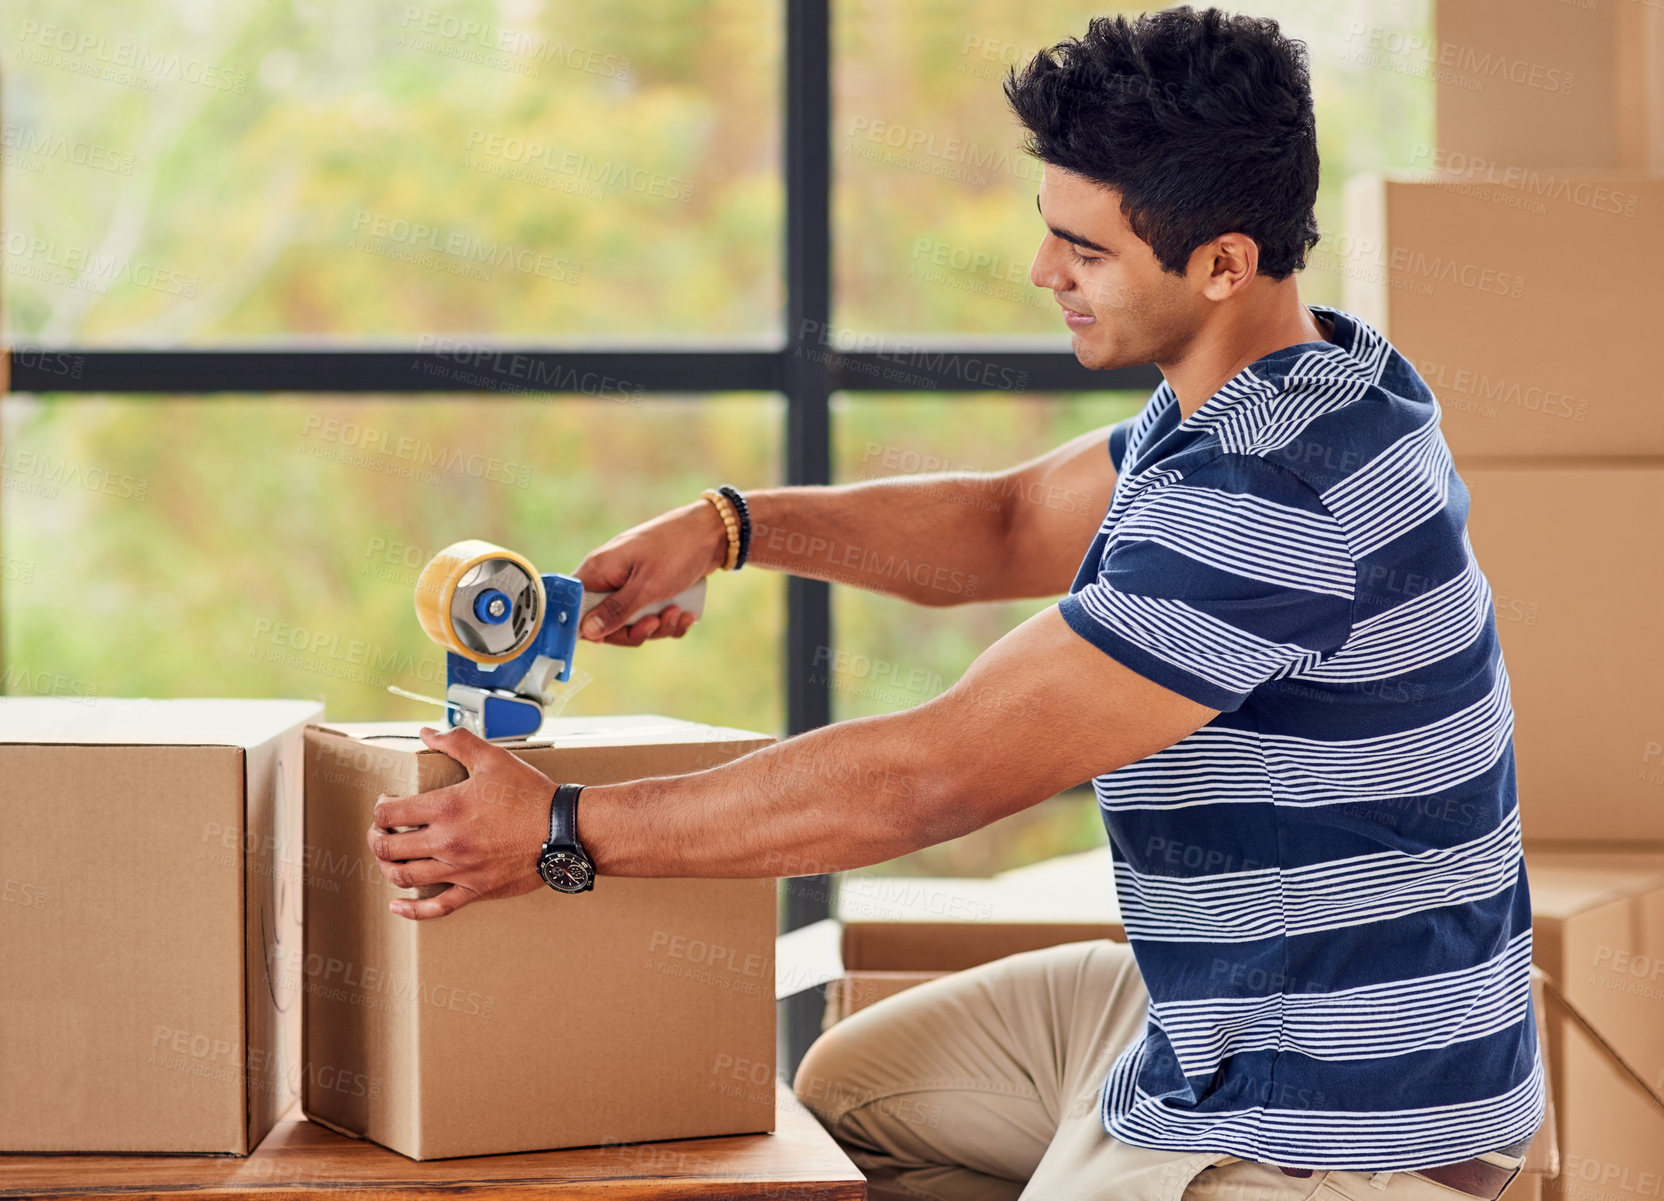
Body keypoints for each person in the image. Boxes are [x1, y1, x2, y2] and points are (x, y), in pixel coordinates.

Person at [366, 7, 1542, 1198]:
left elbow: (935, 774)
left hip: (1336, 1110)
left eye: (1084, 251)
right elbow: (1005, 523)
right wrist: (726, 530)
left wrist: (563, 832)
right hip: (1216, 1001)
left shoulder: (1268, 489)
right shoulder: (1305, 377)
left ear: (1223, 262)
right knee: (850, 1099)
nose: (1043, 273)